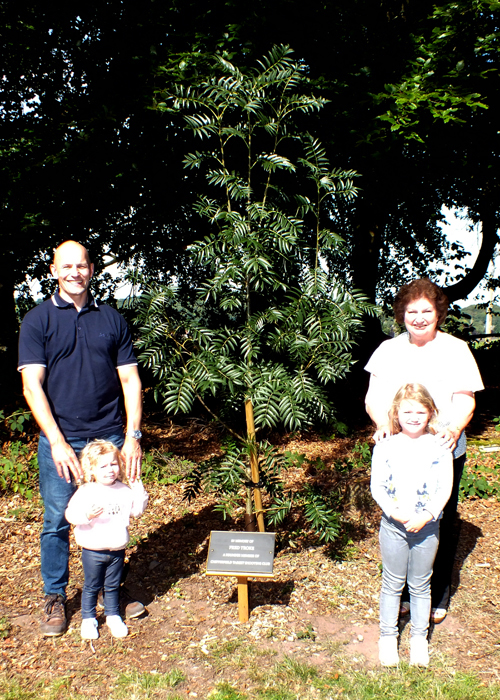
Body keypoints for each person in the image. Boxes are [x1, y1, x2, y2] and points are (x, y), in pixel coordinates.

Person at [18, 240, 143, 636]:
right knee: (57, 520)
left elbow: (130, 380)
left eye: (82, 265)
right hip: (63, 440)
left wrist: (132, 436)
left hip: (107, 437)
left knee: (112, 512)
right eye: (66, 265)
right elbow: (32, 387)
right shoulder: (37, 321)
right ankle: (55, 596)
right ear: (54, 269)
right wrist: (55, 440)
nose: (75, 272)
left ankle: (110, 593)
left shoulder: (112, 319)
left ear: (92, 269)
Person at [365, 278, 484, 624]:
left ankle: (436, 593)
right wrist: (381, 423)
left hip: (442, 446)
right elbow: (374, 398)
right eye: (411, 311)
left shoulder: (456, 349)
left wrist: (454, 428)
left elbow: (465, 399)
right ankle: (401, 592)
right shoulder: (388, 350)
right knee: (398, 515)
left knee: (439, 517)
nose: (418, 317)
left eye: (426, 311)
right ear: (402, 313)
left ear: (438, 314)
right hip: (397, 447)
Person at [371, 383, 453, 667]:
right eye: (408, 411)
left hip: (427, 528)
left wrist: (428, 514)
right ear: (396, 413)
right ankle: (387, 637)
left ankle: (419, 639)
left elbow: (445, 487)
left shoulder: (441, 446)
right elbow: (378, 486)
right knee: (392, 584)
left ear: (431, 413)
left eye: (420, 411)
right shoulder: (386, 446)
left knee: (420, 585)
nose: (414, 416)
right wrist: (394, 513)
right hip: (393, 527)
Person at [65, 440, 148, 640]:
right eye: (103, 466)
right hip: (93, 551)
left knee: (112, 586)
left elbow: (137, 510)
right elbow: (70, 514)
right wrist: (87, 515)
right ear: (91, 469)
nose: (109, 470)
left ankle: (112, 616)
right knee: (92, 586)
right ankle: (88, 619)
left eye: (113, 464)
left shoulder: (123, 490)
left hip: (117, 550)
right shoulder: (86, 491)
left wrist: (137, 485)